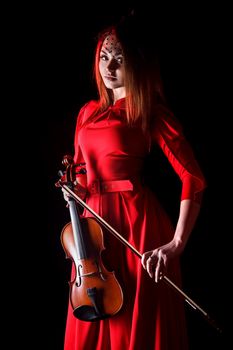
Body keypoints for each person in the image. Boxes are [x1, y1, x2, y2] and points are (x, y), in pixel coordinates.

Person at [61, 13, 207, 350]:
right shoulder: (86, 112)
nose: (109, 66)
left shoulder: (149, 111)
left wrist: (176, 244)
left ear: (137, 64)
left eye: (120, 59)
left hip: (135, 226)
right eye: (104, 57)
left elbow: (193, 177)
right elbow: (82, 173)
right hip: (91, 237)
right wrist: (74, 189)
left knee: (135, 328)